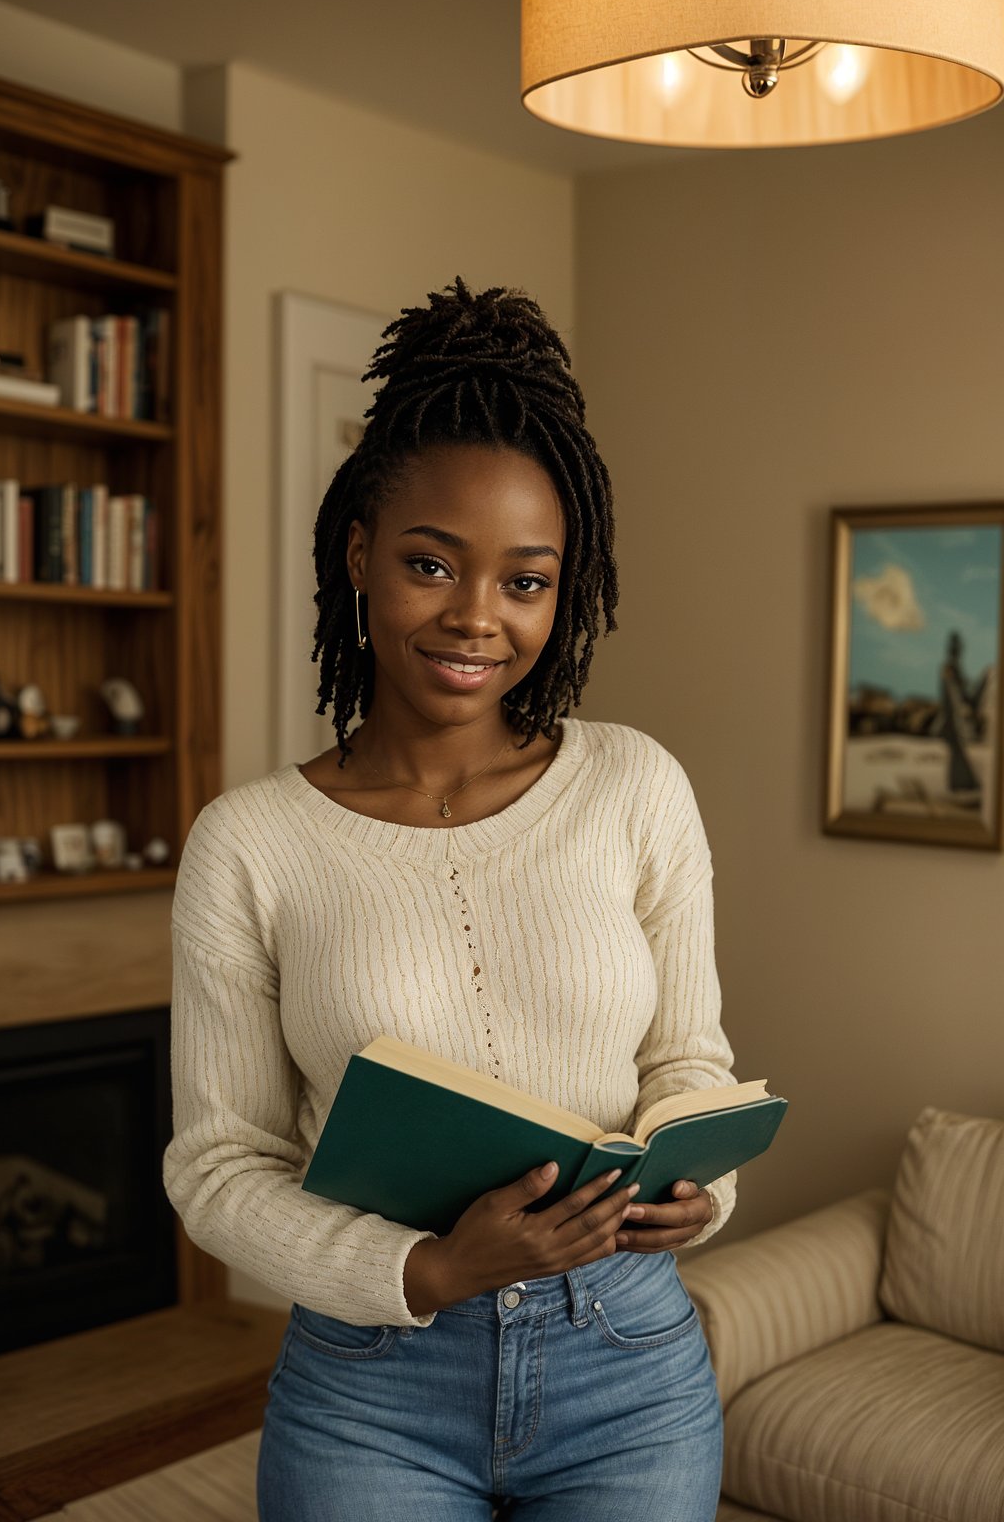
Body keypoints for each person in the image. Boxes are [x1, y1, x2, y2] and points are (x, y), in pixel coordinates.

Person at [163, 279, 737, 1521]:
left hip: (629, 1374)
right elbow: (217, 1169)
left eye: (525, 581)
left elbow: (687, 1059)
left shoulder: (635, 785)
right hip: (374, 1388)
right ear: (360, 553)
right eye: (432, 563)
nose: (477, 617)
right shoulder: (250, 843)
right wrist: (426, 1266)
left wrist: (700, 1185)